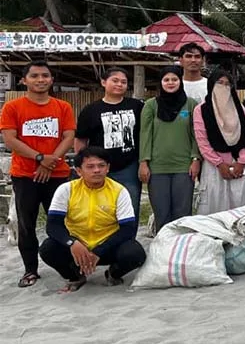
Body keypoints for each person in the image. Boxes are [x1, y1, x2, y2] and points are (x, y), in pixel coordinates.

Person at [0, 61, 76, 288]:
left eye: (45, 75)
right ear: (24, 80)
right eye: (34, 76)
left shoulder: (62, 107)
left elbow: (68, 136)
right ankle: (30, 270)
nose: (40, 80)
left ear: (52, 80)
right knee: (26, 224)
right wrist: (40, 158)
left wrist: (49, 162)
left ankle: (69, 266)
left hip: (58, 174)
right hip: (25, 175)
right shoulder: (12, 107)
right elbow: (10, 139)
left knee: (64, 222)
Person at [39, 146, 146, 293]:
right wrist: (72, 243)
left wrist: (99, 251)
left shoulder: (119, 191)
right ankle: (75, 276)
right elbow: (53, 226)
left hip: (107, 247)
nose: (97, 170)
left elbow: (127, 229)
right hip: (78, 247)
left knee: (135, 253)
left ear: (108, 168)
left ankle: (113, 274)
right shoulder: (66, 189)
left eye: (101, 166)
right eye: (90, 166)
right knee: (47, 248)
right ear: (78, 171)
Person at [74, 67, 145, 218]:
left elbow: (145, 134)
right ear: (104, 82)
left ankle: (128, 240)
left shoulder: (137, 106)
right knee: (101, 209)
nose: (119, 84)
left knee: (130, 207)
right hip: (99, 166)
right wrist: (81, 164)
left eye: (124, 82)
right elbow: (81, 139)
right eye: (115, 80)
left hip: (129, 165)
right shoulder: (90, 110)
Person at [139, 65, 201, 233]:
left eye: (174, 79)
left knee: (183, 213)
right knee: (162, 213)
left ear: (180, 82)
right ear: (161, 83)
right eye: (166, 80)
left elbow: (197, 134)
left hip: (183, 167)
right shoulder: (151, 105)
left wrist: (196, 159)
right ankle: (164, 251)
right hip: (157, 167)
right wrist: (143, 162)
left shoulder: (191, 105)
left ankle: (183, 250)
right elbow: (145, 134)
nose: (170, 83)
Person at [193, 69, 245, 214]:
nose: (223, 87)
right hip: (215, 167)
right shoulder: (201, 110)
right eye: (219, 83)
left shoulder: (239, 108)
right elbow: (203, 142)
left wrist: (241, 162)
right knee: (215, 209)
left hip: (241, 166)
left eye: (228, 84)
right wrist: (220, 164)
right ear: (211, 85)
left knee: (242, 209)